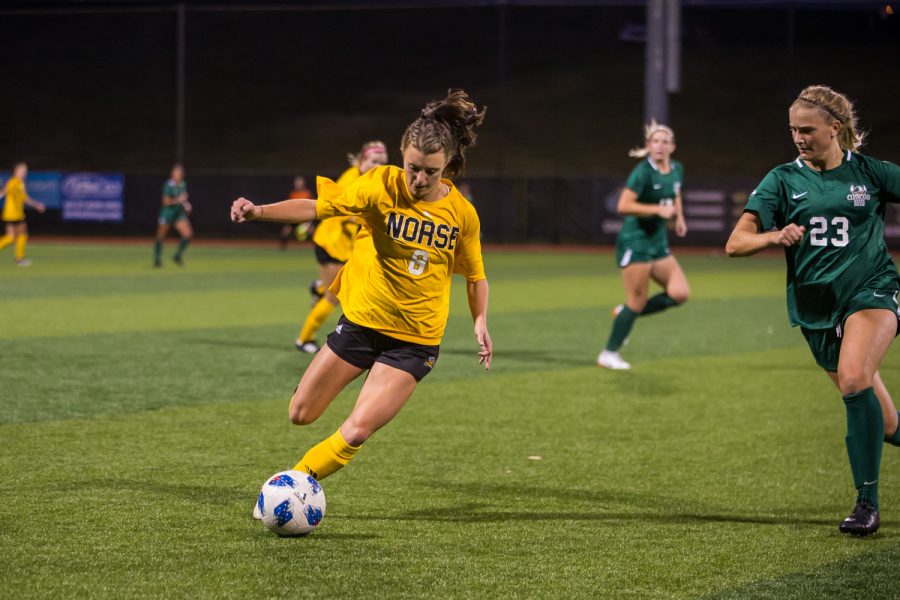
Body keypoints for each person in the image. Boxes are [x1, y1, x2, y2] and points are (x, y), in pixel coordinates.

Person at [231, 90, 491, 511]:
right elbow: (318, 207)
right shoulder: (380, 185)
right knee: (301, 413)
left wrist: (480, 320)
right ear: (402, 158)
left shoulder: (462, 215)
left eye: (430, 171)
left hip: (414, 343)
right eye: (412, 167)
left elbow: (476, 276)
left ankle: (296, 484)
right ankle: (297, 482)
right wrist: (258, 212)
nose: (418, 179)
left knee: (356, 430)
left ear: (448, 167)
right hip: (362, 324)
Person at [726, 85, 900, 536]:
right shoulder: (781, 180)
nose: (799, 137)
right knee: (884, 423)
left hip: (872, 292)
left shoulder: (872, 173)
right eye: (793, 130)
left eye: (807, 129)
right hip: (816, 310)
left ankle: (866, 505)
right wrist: (770, 236)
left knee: (854, 379)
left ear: (835, 129)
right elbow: (735, 242)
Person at [597, 121, 690, 370]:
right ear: (649, 146)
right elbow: (623, 206)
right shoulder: (642, 172)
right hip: (635, 242)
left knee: (680, 293)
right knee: (637, 301)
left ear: (672, 147)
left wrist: (679, 217)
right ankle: (609, 354)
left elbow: (676, 193)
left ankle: (624, 313)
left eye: (664, 142)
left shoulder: (676, 168)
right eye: (655, 141)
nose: (659, 146)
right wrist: (658, 210)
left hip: (657, 242)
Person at [295, 141, 389, 353]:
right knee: (333, 297)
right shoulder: (352, 178)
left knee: (334, 288)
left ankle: (318, 287)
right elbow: (346, 211)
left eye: (382, 162)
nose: (378, 166)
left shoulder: (367, 179)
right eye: (374, 161)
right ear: (362, 161)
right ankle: (304, 339)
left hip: (338, 244)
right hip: (332, 243)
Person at [0, 162, 46, 266]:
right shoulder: (13, 183)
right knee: (16, 236)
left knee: (16, 236)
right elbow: (7, 192)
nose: (24, 173)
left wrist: (36, 205)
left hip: (16, 214)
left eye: (25, 171)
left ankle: (19, 259)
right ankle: (19, 259)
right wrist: (36, 205)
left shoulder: (20, 183)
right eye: (21, 171)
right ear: (15, 172)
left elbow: (23, 197)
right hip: (12, 214)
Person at [154, 164, 192, 267]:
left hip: (178, 214)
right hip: (167, 213)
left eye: (180, 173)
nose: (178, 175)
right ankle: (157, 259)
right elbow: (165, 202)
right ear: (172, 174)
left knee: (188, 234)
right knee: (160, 236)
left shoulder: (183, 184)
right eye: (176, 172)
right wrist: (178, 200)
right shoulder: (168, 185)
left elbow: (183, 199)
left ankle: (177, 255)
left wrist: (187, 205)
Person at [279, 176, 313, 250]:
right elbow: (290, 206)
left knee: (312, 232)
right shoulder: (293, 194)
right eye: (297, 183)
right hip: (294, 217)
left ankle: (316, 247)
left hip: (304, 217)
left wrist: (308, 222)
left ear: (303, 183)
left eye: (299, 182)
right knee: (285, 231)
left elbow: (311, 207)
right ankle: (282, 248)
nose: (298, 184)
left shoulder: (307, 194)